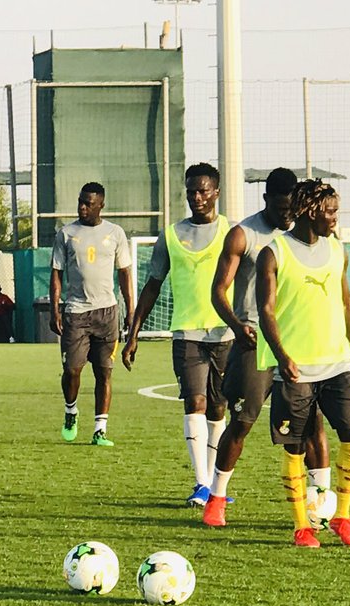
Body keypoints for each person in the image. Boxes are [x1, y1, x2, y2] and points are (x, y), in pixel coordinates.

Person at [201, 167, 332, 528]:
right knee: (242, 421)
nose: (288, 213)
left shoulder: (307, 239)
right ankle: (216, 497)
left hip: (298, 345)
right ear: (267, 200)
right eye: (282, 205)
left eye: (294, 206)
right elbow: (218, 291)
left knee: (312, 422)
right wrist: (236, 324)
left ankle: (320, 504)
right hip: (254, 343)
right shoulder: (243, 235)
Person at [256, 178, 350, 548]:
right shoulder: (274, 252)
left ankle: (343, 516)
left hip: (339, 363)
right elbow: (266, 311)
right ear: (309, 211)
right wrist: (282, 355)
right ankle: (301, 526)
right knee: (294, 446)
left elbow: (345, 304)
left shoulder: (338, 250)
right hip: (297, 368)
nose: (335, 218)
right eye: (331, 211)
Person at [124, 162, 233, 504]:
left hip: (226, 335)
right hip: (186, 333)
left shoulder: (233, 232)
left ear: (216, 192)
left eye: (203, 191)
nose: (196, 198)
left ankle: (216, 487)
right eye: (190, 192)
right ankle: (201, 483)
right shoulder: (170, 236)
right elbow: (152, 286)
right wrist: (133, 333)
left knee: (218, 409)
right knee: (195, 402)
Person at [50, 182, 135, 447]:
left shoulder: (115, 233)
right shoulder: (66, 234)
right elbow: (56, 274)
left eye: (88, 203)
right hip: (76, 312)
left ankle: (100, 429)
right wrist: (55, 308)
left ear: (101, 204)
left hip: (107, 313)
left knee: (104, 372)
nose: (82, 207)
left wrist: (130, 311)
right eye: (80, 201)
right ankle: (71, 410)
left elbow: (124, 274)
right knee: (72, 370)